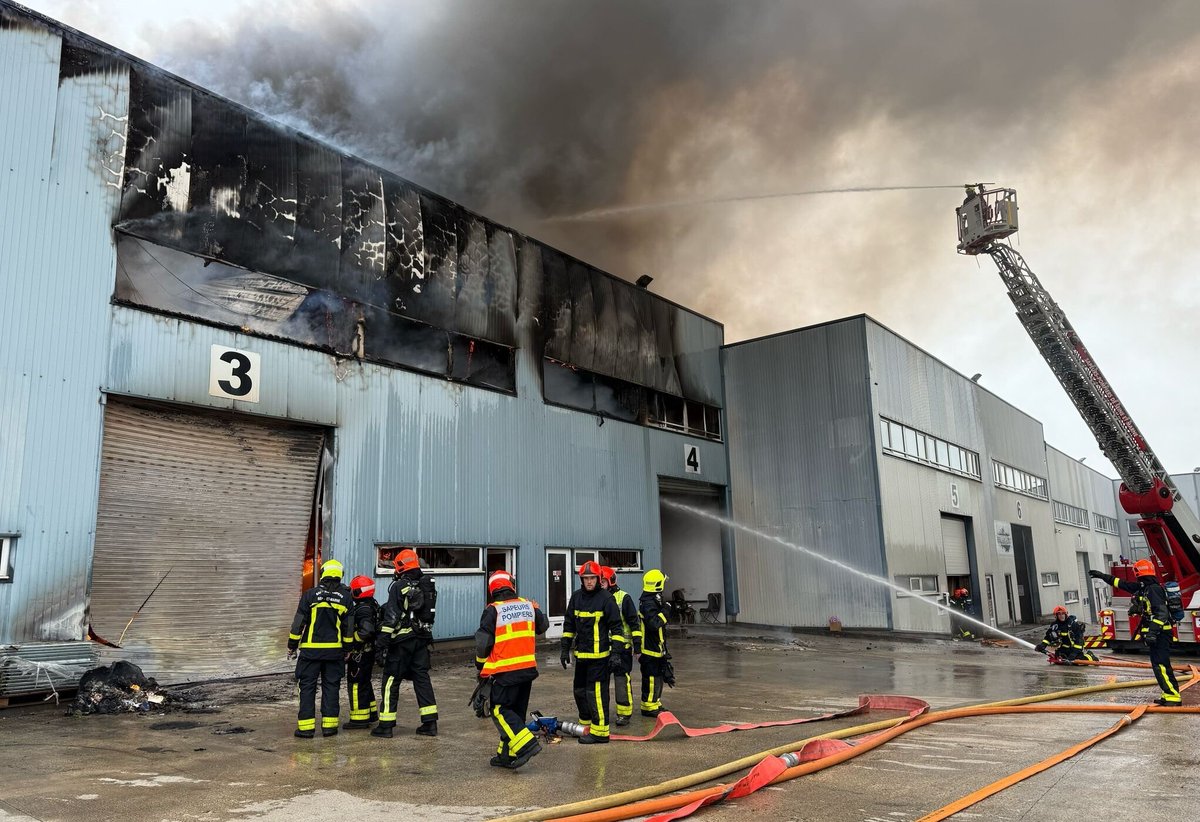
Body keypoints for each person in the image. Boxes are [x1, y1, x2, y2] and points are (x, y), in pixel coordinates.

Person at [474, 570, 549, 769]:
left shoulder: (493, 610)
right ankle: (506, 755)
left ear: (492, 590)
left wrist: (480, 666)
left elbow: (483, 644)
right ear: (511, 585)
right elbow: (543, 626)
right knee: (515, 713)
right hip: (527, 670)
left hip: (505, 672)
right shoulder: (528, 605)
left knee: (499, 710)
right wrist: (537, 610)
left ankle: (527, 746)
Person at [1090, 560, 1182, 706]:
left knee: (1161, 665)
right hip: (1158, 634)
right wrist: (1103, 576)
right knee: (1159, 665)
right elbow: (1121, 583)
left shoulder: (1153, 590)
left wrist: (1152, 633)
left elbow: (1162, 614)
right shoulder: (1145, 588)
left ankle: (1173, 696)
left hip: (1160, 634)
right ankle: (1168, 693)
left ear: (1137, 573)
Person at [373, 548, 440, 738]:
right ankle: (430, 724)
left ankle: (385, 725)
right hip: (422, 640)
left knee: (391, 680)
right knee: (421, 678)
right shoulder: (425, 584)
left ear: (400, 567)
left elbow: (392, 617)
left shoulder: (399, 586)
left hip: (401, 642)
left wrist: (381, 645)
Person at [560, 560, 628, 743]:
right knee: (579, 691)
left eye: (592, 578)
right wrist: (565, 649)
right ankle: (586, 726)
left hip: (600, 658)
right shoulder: (576, 598)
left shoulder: (606, 598)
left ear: (598, 579)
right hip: (581, 657)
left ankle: (600, 733)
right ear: (581, 580)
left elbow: (617, 628)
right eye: (586, 578)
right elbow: (569, 625)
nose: (589, 581)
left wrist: (616, 653)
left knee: (596, 694)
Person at [287, 559, 355, 738]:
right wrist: (348, 648)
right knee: (331, 687)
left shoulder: (310, 595)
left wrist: (292, 645)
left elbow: (298, 624)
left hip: (310, 652)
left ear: (323, 573)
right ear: (340, 575)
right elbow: (348, 628)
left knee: (307, 687)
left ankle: (306, 729)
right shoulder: (346, 598)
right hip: (334, 652)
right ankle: (329, 727)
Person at [600, 566, 642, 726]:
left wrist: (637, 646)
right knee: (600, 682)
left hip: (622, 648)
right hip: (602, 648)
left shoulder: (624, 598)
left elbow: (634, 624)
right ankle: (601, 713)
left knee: (621, 681)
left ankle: (624, 714)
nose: (600, 584)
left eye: (603, 581)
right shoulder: (597, 598)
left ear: (610, 581)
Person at [343, 575, 380, 729]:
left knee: (356, 684)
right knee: (365, 682)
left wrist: (353, 642)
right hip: (367, 653)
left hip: (360, 653)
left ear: (358, 592)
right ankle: (370, 714)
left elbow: (366, 631)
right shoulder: (371, 605)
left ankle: (359, 719)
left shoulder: (362, 610)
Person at [639, 569, 674, 717]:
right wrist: (666, 611)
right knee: (652, 678)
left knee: (658, 676)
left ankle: (655, 702)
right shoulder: (648, 603)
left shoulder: (653, 599)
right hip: (650, 649)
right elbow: (654, 624)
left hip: (656, 647)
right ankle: (648, 706)